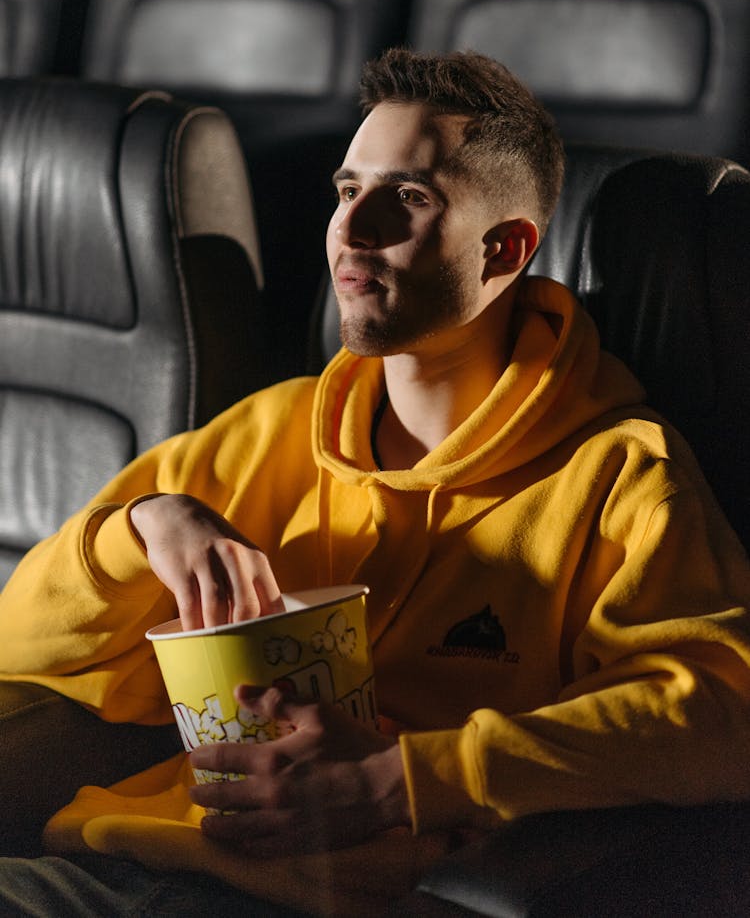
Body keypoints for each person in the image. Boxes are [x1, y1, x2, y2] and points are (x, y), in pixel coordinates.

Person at [0, 47, 750, 915]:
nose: (353, 232)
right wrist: (144, 529)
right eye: (348, 191)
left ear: (504, 249)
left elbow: (722, 712)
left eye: (409, 198)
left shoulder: (620, 472)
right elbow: (17, 645)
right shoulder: (268, 431)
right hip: (123, 864)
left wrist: (406, 781)